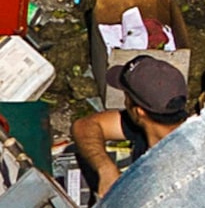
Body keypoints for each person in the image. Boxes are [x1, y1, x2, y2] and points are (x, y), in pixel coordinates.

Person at [70, 55, 191, 198]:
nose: (124, 101)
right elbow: (84, 126)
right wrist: (105, 167)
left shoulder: (177, 171)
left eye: (126, 96)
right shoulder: (155, 124)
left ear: (139, 111)